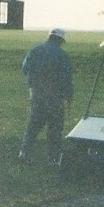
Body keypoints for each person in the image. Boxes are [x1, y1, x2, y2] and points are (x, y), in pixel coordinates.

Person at [19, 28, 74, 165]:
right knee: (55, 128)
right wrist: (69, 95)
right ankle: (52, 158)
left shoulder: (35, 50)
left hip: (37, 93)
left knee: (34, 125)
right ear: (60, 40)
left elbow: (25, 69)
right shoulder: (62, 55)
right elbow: (67, 78)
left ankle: (24, 153)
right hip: (55, 96)